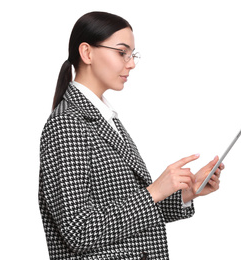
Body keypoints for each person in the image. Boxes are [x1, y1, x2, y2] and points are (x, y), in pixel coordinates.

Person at [39, 11, 224, 260]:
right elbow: (79, 231)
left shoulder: (105, 116)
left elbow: (128, 213)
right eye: (121, 52)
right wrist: (154, 191)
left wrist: (187, 191)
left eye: (132, 54)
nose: (131, 63)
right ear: (87, 53)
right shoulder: (67, 123)